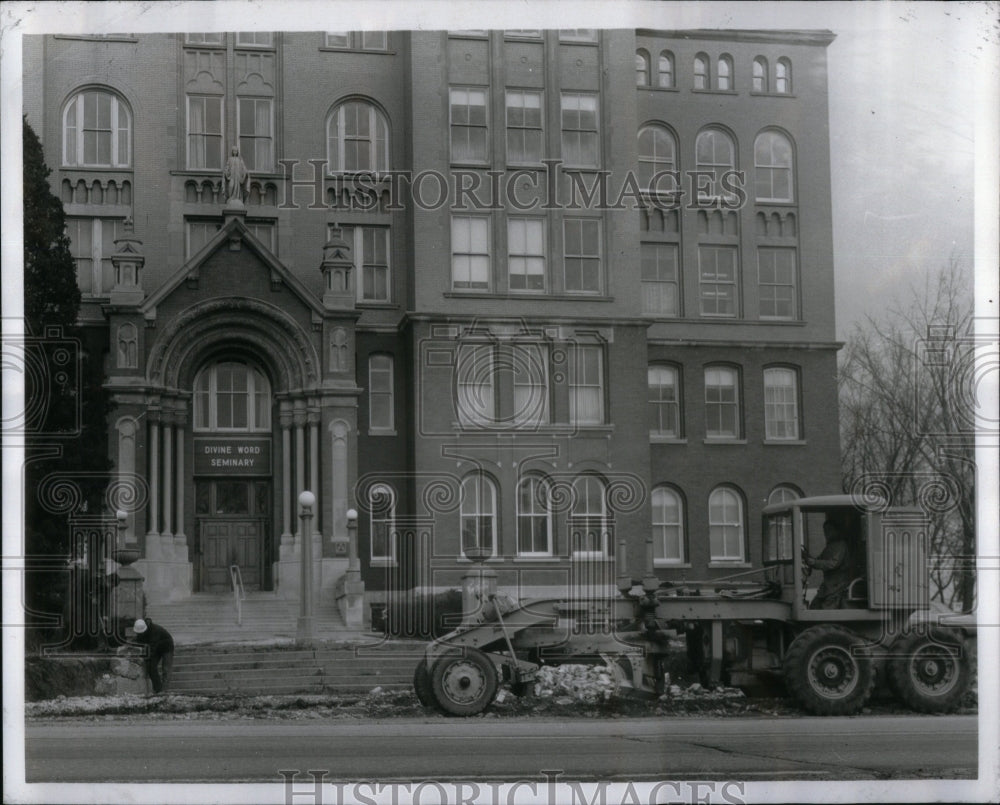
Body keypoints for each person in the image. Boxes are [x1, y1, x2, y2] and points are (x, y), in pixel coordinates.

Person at [802, 519, 853, 609]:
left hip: (837, 586)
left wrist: (814, 562)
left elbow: (833, 563)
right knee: (814, 606)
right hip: (828, 586)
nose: (826, 533)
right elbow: (820, 559)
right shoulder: (830, 546)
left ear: (836, 531)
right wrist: (809, 560)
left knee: (826, 609)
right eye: (825, 531)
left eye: (829, 530)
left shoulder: (841, 545)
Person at [133, 618, 174, 694]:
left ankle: (164, 691)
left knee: (166, 669)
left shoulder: (155, 631)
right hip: (156, 648)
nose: (140, 634)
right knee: (151, 667)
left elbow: (152, 648)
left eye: (141, 633)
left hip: (167, 647)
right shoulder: (141, 631)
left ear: (145, 629)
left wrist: (146, 657)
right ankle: (158, 689)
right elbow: (140, 643)